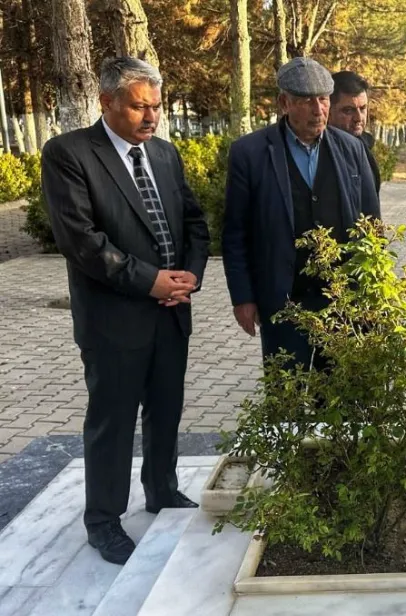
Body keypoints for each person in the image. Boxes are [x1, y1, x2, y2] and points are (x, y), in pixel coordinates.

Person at [41, 57, 210, 564]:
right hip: (114, 320)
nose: (152, 117)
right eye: (140, 106)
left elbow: (194, 222)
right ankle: (104, 521)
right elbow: (82, 242)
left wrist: (188, 276)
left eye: (156, 106)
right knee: (112, 421)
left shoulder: (164, 154)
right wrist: (151, 281)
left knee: (166, 410)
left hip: (170, 312)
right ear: (107, 102)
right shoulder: (69, 154)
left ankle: (161, 490)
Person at [222, 57, 380, 368]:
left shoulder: (352, 148)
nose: (318, 110)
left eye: (322, 100)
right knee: (286, 401)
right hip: (282, 302)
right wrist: (243, 297)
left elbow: (371, 226)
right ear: (284, 102)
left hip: (341, 303)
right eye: (306, 102)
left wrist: (371, 294)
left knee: (338, 402)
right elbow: (235, 232)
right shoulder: (249, 153)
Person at [329, 70, 381, 194]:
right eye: (348, 110)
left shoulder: (365, 144)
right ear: (328, 111)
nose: (358, 118)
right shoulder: (320, 153)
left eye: (363, 108)